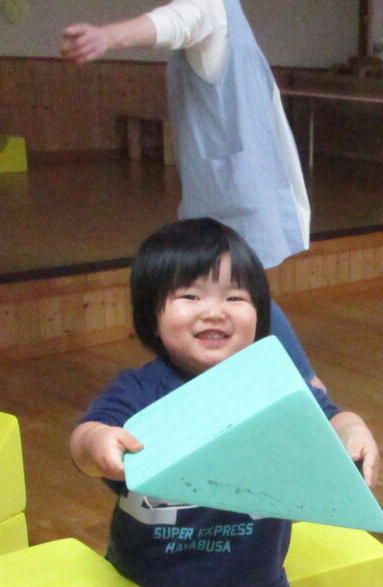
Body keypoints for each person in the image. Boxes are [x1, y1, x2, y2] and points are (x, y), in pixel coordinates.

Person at [69, 218, 379, 587]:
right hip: (160, 582)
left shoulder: (271, 386)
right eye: (189, 295)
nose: (214, 310)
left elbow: (330, 415)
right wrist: (97, 445)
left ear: (262, 315)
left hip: (249, 582)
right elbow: (85, 437)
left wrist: (353, 429)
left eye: (235, 297)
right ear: (151, 313)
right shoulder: (140, 390)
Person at [62, 0, 329, 395]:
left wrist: (107, 36)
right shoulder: (224, 17)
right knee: (237, 295)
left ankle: (306, 383)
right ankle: (288, 383)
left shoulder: (210, 7)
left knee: (242, 296)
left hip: (237, 191)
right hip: (234, 185)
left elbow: (173, 22)